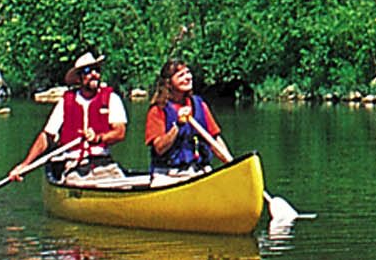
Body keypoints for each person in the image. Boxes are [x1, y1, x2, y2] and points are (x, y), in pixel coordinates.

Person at [24, 50, 128, 180]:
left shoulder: (112, 99)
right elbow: (47, 136)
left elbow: (119, 132)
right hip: (74, 166)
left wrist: (98, 138)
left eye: (96, 70)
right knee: (76, 182)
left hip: (104, 164)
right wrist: (25, 164)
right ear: (79, 78)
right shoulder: (65, 102)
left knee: (124, 184)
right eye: (88, 71)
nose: (94, 74)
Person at [140, 57, 231, 178]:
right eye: (181, 75)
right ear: (169, 83)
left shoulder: (200, 105)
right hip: (170, 174)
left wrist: (231, 165)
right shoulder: (157, 110)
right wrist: (177, 125)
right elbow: (160, 148)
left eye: (188, 72)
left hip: (200, 170)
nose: (188, 77)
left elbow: (215, 140)